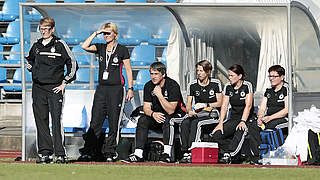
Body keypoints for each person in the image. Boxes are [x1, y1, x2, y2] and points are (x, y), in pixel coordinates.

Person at [25, 17, 78, 164]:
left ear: (52, 29)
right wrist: (30, 66)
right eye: (41, 29)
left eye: (46, 29)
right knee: (41, 121)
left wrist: (64, 82)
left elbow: (73, 64)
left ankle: (60, 154)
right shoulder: (36, 45)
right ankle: (44, 153)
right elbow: (30, 60)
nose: (43, 32)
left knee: (56, 120)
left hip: (54, 88)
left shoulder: (60, 45)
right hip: (38, 88)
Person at [78, 22, 134, 162]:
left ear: (115, 34)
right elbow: (84, 46)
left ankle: (110, 152)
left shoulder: (122, 49)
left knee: (114, 122)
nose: (105, 36)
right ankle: (89, 151)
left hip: (116, 89)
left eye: (108, 33)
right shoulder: (101, 47)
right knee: (95, 121)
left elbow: (128, 69)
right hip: (102, 88)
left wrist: (130, 88)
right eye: (104, 33)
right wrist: (96, 33)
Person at [122, 62, 186, 163]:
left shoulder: (172, 85)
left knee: (168, 119)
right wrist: (153, 114)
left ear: (163, 74)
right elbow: (146, 108)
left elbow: (171, 110)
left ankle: (167, 154)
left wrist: (159, 95)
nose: (153, 77)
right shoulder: (148, 86)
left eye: (156, 74)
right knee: (143, 119)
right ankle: (138, 154)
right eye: (151, 74)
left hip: (175, 117)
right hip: (157, 117)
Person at [209, 64, 255, 164]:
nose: (229, 78)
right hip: (233, 119)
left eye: (231, 75)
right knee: (215, 135)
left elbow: (249, 105)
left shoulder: (247, 86)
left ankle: (230, 155)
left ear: (240, 76)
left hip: (247, 119)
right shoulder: (228, 87)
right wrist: (220, 123)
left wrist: (243, 121)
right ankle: (227, 153)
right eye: (228, 75)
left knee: (240, 130)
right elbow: (224, 106)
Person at [179, 60, 222, 163]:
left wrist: (205, 105)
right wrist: (189, 111)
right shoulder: (192, 85)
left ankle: (192, 151)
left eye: (201, 71)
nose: (199, 73)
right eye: (197, 71)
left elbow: (220, 103)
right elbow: (188, 104)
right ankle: (185, 152)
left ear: (208, 72)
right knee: (184, 123)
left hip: (212, 115)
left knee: (196, 123)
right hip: (198, 114)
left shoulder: (215, 83)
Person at [257, 65, 288, 132]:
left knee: (270, 126)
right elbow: (262, 108)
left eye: (274, 76)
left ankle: (274, 142)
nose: (271, 78)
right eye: (270, 76)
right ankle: (257, 143)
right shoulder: (269, 90)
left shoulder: (286, 89)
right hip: (268, 117)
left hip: (283, 118)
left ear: (282, 77)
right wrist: (260, 118)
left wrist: (270, 118)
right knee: (253, 125)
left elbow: (286, 110)